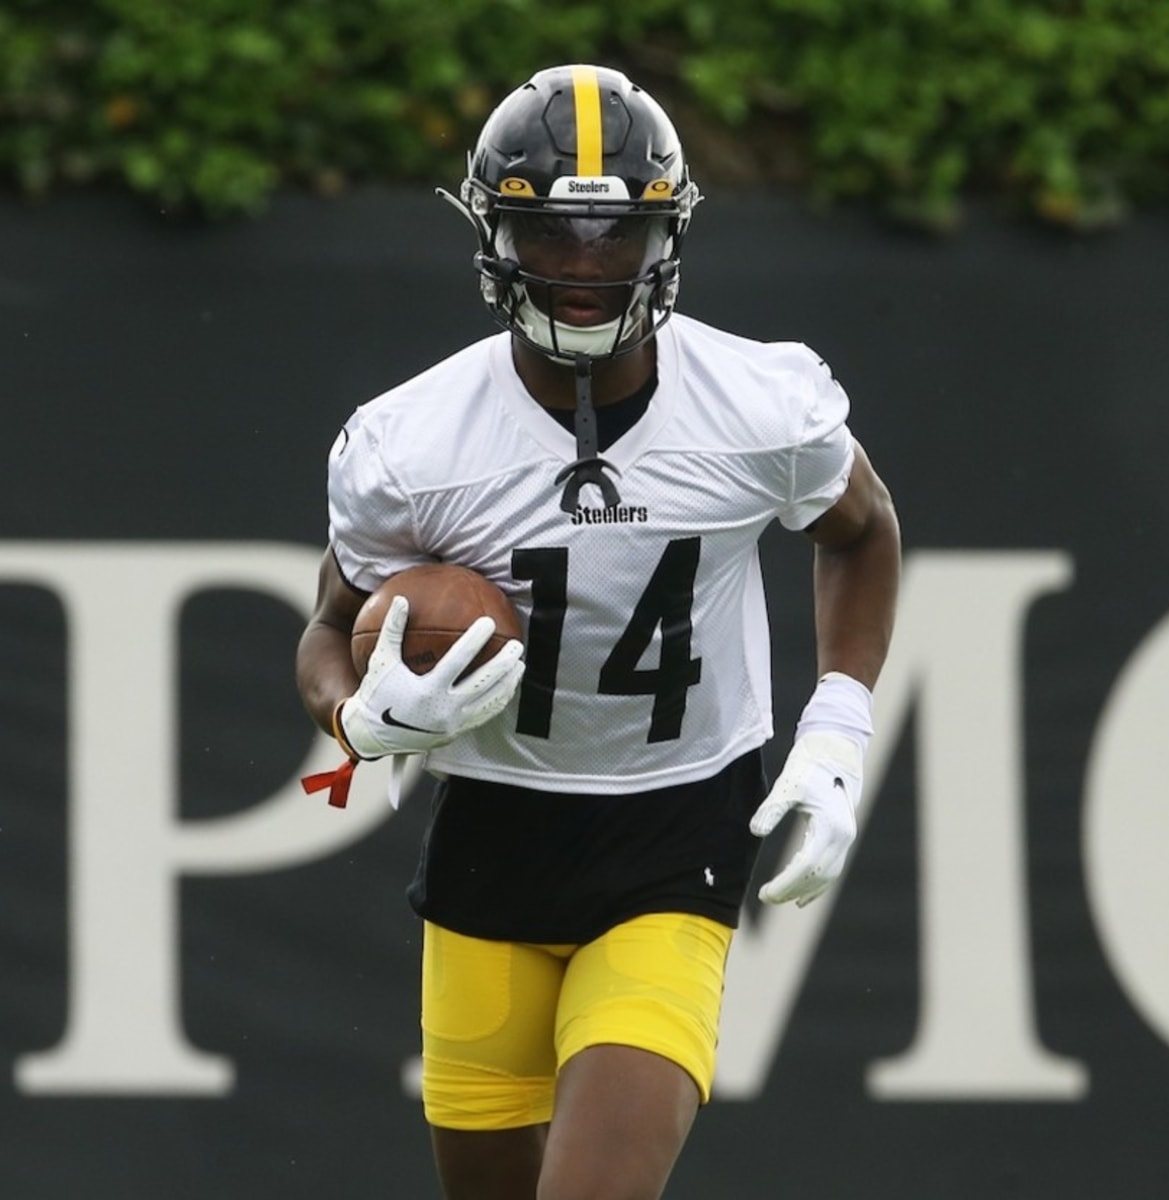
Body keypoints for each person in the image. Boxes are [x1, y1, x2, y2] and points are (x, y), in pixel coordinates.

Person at [296, 63, 900, 1200]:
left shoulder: (757, 408)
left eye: (613, 238)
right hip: (493, 829)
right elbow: (328, 629)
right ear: (491, 233)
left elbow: (862, 533)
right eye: (549, 234)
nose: (581, 271)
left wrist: (838, 729)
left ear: (666, 236)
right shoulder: (412, 444)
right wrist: (359, 713)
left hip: (675, 833)